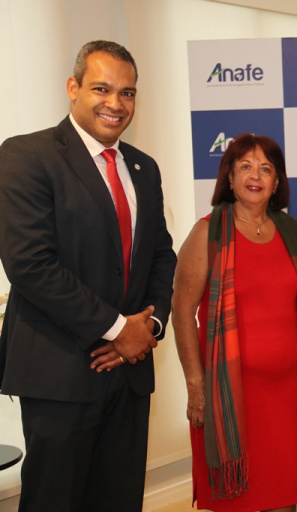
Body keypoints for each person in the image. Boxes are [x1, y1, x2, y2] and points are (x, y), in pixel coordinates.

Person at [0, 41, 176, 511]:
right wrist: (119, 329)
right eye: (102, 88)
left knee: (119, 501)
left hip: (129, 374)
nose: (115, 103)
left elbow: (161, 256)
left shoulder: (143, 168)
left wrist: (149, 327)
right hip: (60, 373)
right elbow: (29, 264)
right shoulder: (26, 155)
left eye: (127, 92)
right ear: (73, 88)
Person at [172, 133, 297, 512]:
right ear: (229, 178)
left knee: (285, 500)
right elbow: (181, 311)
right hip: (230, 396)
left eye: (266, 168)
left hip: (290, 396)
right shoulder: (207, 233)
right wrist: (196, 385)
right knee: (237, 501)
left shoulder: (291, 232)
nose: (255, 176)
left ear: (277, 182)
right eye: (245, 166)